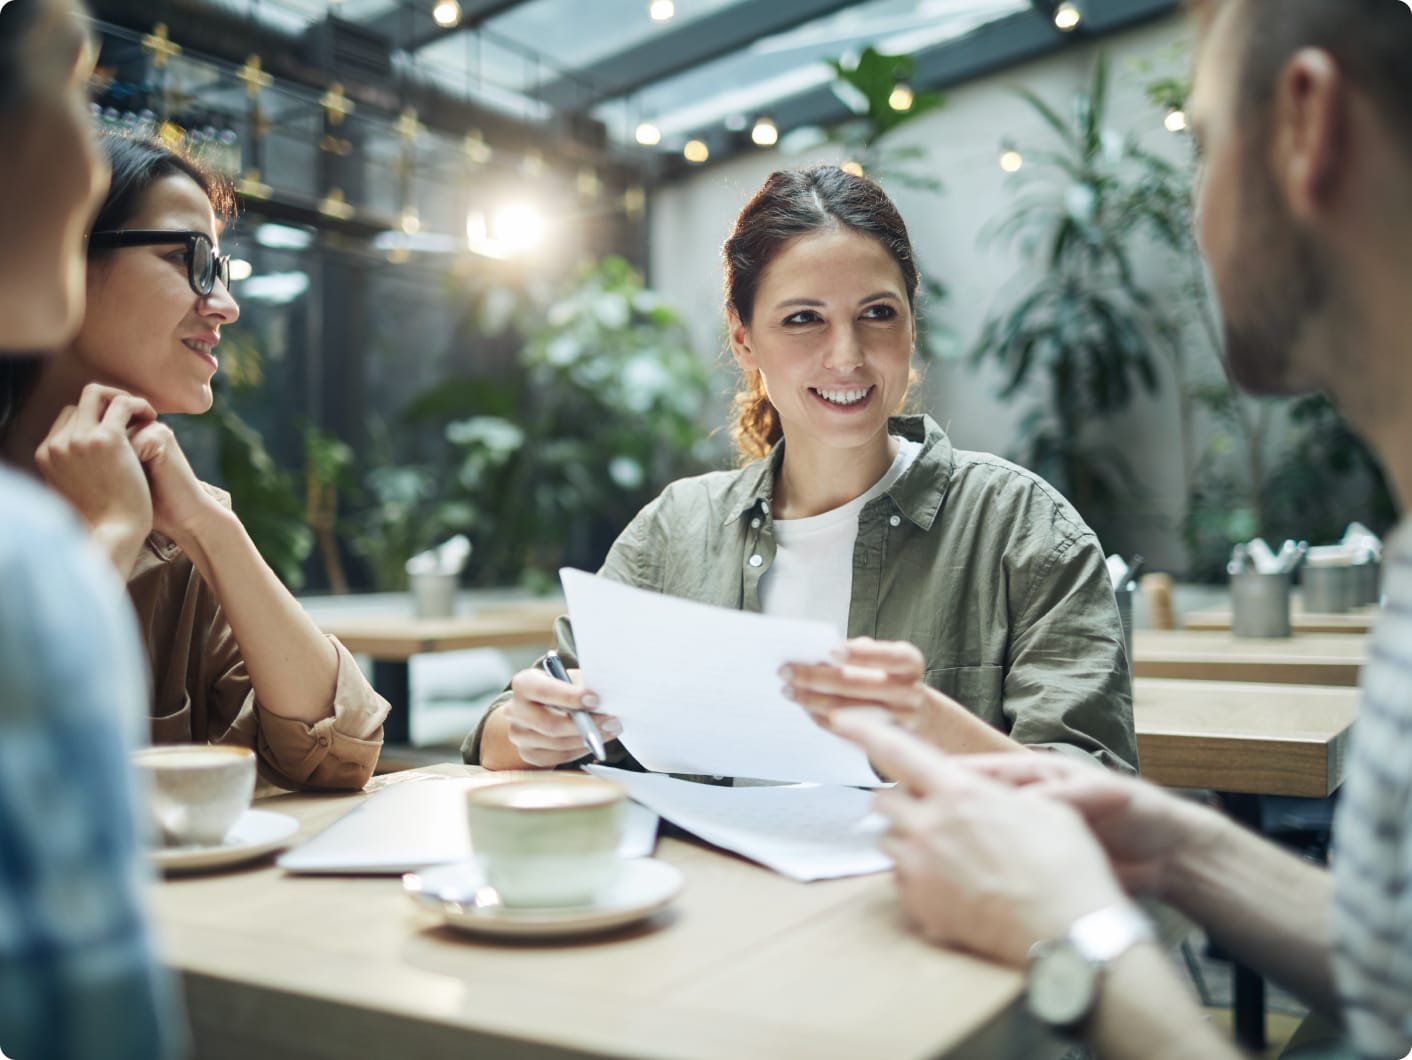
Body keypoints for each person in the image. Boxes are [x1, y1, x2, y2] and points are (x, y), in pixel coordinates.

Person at [836, 1, 1412, 1056]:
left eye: (1196, 146)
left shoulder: (1011, 517)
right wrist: (1189, 848)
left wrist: (1076, 940)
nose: (1190, 213)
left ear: (1303, 127)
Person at [466, 165, 1137, 775]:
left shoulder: (1019, 529)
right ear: (744, 339)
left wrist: (926, 726)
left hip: (924, 907)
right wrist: (532, 726)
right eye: (803, 320)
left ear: (911, 325)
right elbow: (502, 734)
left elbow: (1098, 795)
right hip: (713, 903)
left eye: (877, 313)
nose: (846, 355)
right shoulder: (675, 533)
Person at [0, 133, 390, 792]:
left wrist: (211, 528)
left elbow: (337, 756)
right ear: (60, 266)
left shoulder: (179, 525)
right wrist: (112, 534)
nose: (226, 305)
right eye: (191, 259)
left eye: (222, 269)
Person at [0, 0, 182, 1056]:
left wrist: (192, 520)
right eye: (75, 90)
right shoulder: (28, 564)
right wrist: (102, 544)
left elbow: (341, 739)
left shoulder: (161, 489)